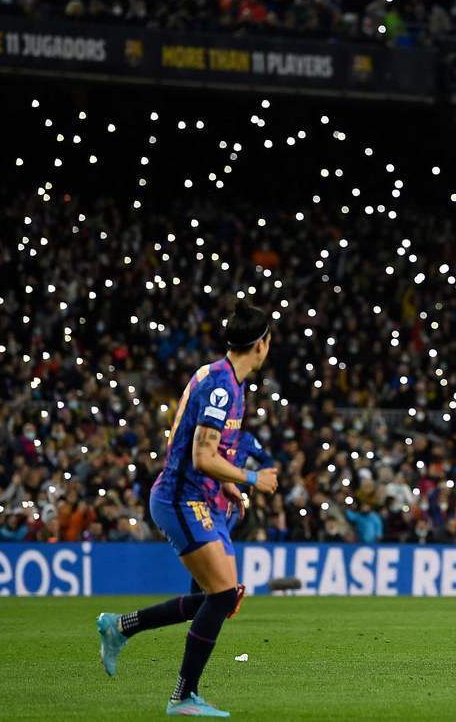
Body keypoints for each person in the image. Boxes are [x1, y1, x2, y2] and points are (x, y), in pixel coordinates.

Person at [95, 303, 278, 718]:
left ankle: (120, 627)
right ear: (261, 344)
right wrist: (251, 478)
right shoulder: (222, 388)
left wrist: (227, 485)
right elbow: (201, 456)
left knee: (213, 600)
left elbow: (207, 451)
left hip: (203, 498)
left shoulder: (223, 379)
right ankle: (182, 696)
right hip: (180, 499)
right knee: (223, 595)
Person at [190, 429, 273, 594]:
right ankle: (201, 598)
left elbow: (267, 460)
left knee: (213, 552)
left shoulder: (246, 439)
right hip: (207, 501)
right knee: (209, 551)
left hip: (231, 504)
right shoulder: (210, 435)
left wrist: (256, 477)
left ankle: (202, 598)